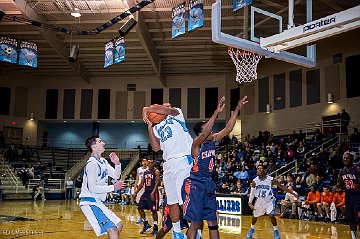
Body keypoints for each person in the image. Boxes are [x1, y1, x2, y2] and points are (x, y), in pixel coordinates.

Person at [182, 96, 247, 239]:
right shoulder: (196, 144)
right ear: (200, 132)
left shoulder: (214, 139)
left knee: (213, 222)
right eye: (206, 126)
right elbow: (205, 133)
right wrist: (216, 112)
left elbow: (229, 128)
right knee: (195, 223)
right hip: (196, 184)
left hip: (209, 183)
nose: (211, 129)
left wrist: (237, 109)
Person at [143, 102, 193, 239]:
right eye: (164, 105)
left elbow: (164, 110)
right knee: (172, 201)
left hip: (182, 160)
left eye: (167, 105)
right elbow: (155, 147)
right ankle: (177, 233)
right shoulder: (157, 126)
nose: (166, 106)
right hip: (168, 164)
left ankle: (195, 232)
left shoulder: (177, 114)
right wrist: (149, 126)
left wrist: (146, 109)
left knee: (184, 200)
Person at [79, 136, 126, 239]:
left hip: (97, 201)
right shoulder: (92, 164)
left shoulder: (103, 161)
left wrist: (117, 164)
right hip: (90, 201)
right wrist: (113, 187)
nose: (103, 143)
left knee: (118, 225)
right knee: (112, 229)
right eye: (100, 141)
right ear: (93, 146)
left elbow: (116, 175)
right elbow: (93, 188)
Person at [246, 165, 298, 239]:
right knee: (255, 217)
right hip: (260, 201)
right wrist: (249, 202)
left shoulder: (270, 179)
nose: (259, 170)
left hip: (269, 200)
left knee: (271, 215)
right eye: (258, 169)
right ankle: (252, 229)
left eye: (261, 169)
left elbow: (282, 187)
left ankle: (276, 231)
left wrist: (293, 193)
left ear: (264, 170)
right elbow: (252, 193)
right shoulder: (254, 181)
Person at [133, 158, 161, 235]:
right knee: (140, 208)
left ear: (153, 164)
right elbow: (142, 184)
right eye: (149, 163)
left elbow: (158, 183)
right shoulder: (145, 172)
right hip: (146, 192)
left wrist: (153, 193)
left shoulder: (156, 171)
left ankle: (155, 227)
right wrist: (135, 192)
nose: (150, 164)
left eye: (151, 162)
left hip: (154, 192)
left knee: (153, 210)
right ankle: (146, 224)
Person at [338, 152, 360, 239]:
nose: (345, 160)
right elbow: (340, 183)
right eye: (344, 158)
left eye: (347, 158)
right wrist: (336, 187)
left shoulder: (357, 169)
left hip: (358, 196)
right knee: (350, 218)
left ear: (352, 160)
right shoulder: (342, 171)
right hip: (348, 196)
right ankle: (354, 237)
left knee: (359, 218)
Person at [134, 158, 148, 224]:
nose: (144, 162)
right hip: (139, 187)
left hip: (146, 187)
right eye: (143, 161)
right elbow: (137, 178)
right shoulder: (139, 169)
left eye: (146, 161)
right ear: (141, 162)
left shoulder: (149, 169)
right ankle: (142, 217)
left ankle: (153, 220)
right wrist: (134, 187)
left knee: (147, 204)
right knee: (139, 203)